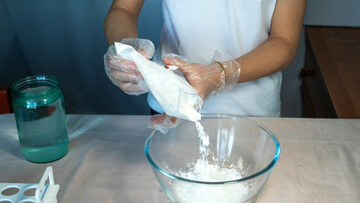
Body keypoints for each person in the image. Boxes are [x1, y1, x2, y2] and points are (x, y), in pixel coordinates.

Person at [104, 0, 307, 124]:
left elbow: (285, 42)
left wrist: (220, 74)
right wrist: (128, 51)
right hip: (173, 104)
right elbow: (123, 9)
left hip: (252, 111)